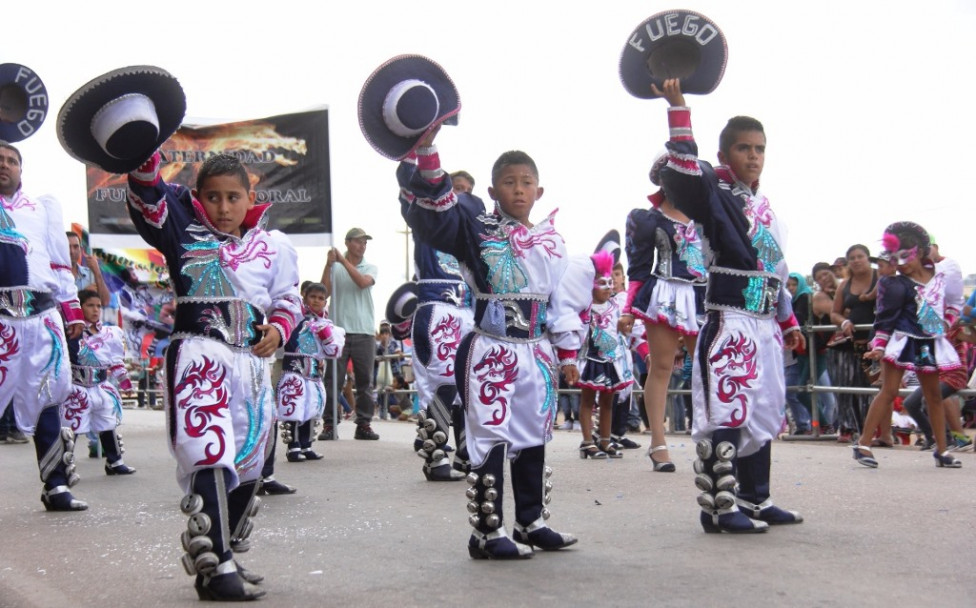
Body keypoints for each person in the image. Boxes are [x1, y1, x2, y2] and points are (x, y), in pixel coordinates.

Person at [397, 130, 589, 559]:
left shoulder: (552, 241)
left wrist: (568, 350)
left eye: (525, 182)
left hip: (537, 351)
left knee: (533, 436)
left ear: (539, 190)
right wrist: (426, 154)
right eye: (509, 182)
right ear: (492, 190)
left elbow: (560, 301)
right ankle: (486, 532)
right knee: (490, 437)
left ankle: (530, 522)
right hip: (491, 348)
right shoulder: (474, 227)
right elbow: (437, 218)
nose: (518, 189)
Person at [124, 148, 302, 600]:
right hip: (199, 355)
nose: (223, 209)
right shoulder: (180, 227)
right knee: (209, 450)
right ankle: (219, 567)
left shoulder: (273, 245)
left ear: (250, 196)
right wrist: (145, 145)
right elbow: (147, 193)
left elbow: (288, 298)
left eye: (232, 197)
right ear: (199, 197)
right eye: (213, 197)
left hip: (252, 363)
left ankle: (220, 553)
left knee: (249, 463)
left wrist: (279, 331)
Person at [653, 78, 805, 533]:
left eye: (760, 148)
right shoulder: (712, 195)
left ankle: (755, 498)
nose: (754, 156)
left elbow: (776, 270)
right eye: (744, 148)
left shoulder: (767, 209)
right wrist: (679, 108)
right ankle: (718, 506)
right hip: (731, 320)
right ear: (724, 156)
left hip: (765, 322)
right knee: (728, 407)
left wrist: (789, 318)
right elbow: (681, 173)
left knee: (762, 408)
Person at [0, 141, 88, 511]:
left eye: (11, 161)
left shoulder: (41, 209)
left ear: (22, 169)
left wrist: (73, 310)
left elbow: (57, 263)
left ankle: (56, 486)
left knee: (48, 401)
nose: (5, 165)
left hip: (42, 317)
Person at [623, 152, 708, 471]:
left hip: (702, 293)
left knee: (707, 367)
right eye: (673, 176)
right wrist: (630, 309)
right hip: (666, 293)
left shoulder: (707, 218)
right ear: (661, 180)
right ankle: (658, 443)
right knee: (661, 368)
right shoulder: (647, 219)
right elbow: (639, 268)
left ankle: (712, 436)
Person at [853, 222, 962, 469]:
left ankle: (942, 451)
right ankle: (863, 445)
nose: (901, 263)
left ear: (921, 252)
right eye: (895, 258)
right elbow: (885, 317)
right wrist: (879, 345)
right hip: (902, 341)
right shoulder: (894, 284)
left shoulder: (943, 275)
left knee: (934, 396)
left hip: (930, 343)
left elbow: (955, 302)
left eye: (906, 256)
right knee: (889, 391)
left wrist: (947, 322)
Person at [402, 219, 479, 481]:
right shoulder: (427, 227)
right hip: (438, 310)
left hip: (467, 313)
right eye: (455, 189)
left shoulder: (468, 239)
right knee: (443, 384)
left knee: (466, 386)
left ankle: (465, 455)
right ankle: (434, 458)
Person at [61, 288, 136, 475]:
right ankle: (61, 465)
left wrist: (124, 381)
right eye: (90, 306)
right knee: (73, 427)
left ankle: (115, 461)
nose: (95, 310)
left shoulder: (111, 333)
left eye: (98, 306)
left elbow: (115, 361)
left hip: (101, 386)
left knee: (108, 423)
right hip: (77, 387)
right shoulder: (69, 332)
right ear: (80, 307)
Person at [320, 228, 380, 441]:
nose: (362, 245)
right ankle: (329, 424)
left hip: (364, 331)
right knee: (332, 380)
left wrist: (343, 263)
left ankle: (363, 424)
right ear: (347, 243)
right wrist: (329, 265)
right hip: (338, 332)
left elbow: (363, 282)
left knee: (365, 382)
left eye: (365, 242)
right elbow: (324, 293)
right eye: (358, 241)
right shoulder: (335, 266)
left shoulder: (369, 267)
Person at [277, 282, 345, 464]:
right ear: (305, 297)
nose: (316, 301)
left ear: (325, 301)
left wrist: (326, 335)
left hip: (314, 371)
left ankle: (307, 445)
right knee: (294, 406)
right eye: (313, 297)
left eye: (321, 298)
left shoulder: (325, 323)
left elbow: (334, 352)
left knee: (311, 408)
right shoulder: (294, 316)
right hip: (295, 368)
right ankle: (293, 447)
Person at [577, 251, 634, 459]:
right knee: (587, 400)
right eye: (603, 283)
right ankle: (586, 442)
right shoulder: (585, 308)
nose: (609, 287)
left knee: (608, 401)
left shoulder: (616, 307)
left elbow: (625, 331)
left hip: (611, 360)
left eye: (611, 282)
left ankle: (605, 440)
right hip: (591, 359)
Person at [829, 245, 879, 441]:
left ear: (868, 258)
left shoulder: (880, 277)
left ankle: (874, 431)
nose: (857, 260)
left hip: (877, 343)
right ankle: (848, 428)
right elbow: (834, 312)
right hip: (852, 342)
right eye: (852, 258)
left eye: (860, 256)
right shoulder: (845, 284)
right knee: (848, 384)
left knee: (873, 388)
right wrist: (844, 321)